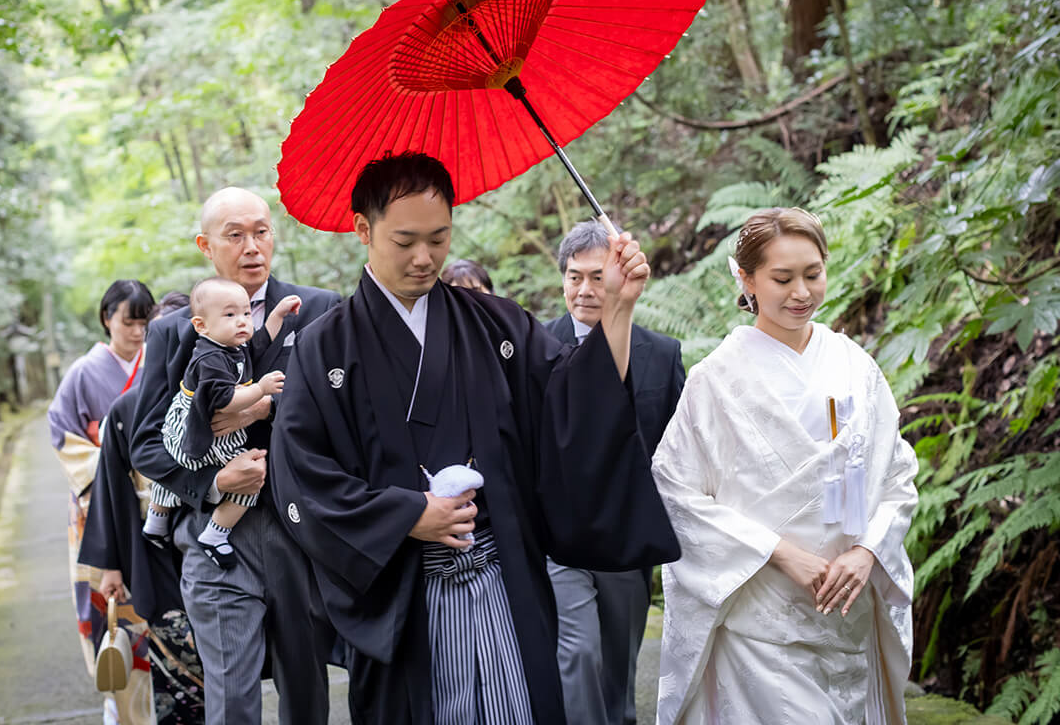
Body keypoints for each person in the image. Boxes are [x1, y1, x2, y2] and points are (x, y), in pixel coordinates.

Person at [270, 151, 681, 724]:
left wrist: (617, 307)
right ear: (363, 229)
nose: (424, 257)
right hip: (403, 599)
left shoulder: (495, 323)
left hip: (504, 577)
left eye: (438, 238)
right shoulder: (325, 346)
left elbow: (571, 404)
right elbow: (300, 478)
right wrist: (407, 515)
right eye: (405, 240)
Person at [650, 208, 918, 724]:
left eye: (812, 274)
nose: (801, 292)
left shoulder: (854, 365)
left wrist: (867, 551)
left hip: (847, 610)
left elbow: (896, 476)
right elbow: (676, 490)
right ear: (746, 279)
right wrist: (780, 553)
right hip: (761, 618)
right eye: (782, 278)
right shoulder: (716, 379)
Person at [129, 186, 341, 725]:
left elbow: (348, 418)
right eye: (235, 235)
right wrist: (215, 481)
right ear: (206, 245)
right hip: (215, 536)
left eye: (261, 232)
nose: (252, 246)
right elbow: (146, 442)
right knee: (231, 698)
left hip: (300, 533)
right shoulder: (175, 330)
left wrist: (267, 410)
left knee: (307, 690)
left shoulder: (319, 310)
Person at [544, 221, 685, 725]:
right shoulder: (535, 346)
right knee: (577, 652)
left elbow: (678, 447)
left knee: (619, 672)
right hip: (557, 535)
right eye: (574, 277)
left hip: (625, 535)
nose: (584, 290)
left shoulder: (662, 354)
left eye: (596, 277)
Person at [79, 291, 207, 725]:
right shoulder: (126, 408)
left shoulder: (217, 395)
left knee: (227, 662)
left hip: (212, 540)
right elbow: (111, 489)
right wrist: (111, 566)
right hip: (151, 546)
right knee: (173, 658)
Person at [47, 279, 156, 725]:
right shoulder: (83, 373)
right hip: (98, 507)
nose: (137, 331)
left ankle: (163, 698)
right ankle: (117, 698)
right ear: (106, 318)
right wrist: (114, 468)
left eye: (144, 322)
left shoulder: (159, 363)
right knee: (108, 604)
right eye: (128, 321)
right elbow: (62, 434)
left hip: (154, 504)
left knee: (154, 604)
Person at [143, 278, 299, 567]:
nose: (242, 321)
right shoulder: (210, 358)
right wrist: (261, 389)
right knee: (250, 479)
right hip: (202, 427)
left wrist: (277, 315)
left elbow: (260, 341)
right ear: (201, 326)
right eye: (230, 314)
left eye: (246, 313)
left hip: (201, 424)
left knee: (186, 460)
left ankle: (156, 518)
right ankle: (215, 534)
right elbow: (226, 402)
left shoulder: (230, 346)